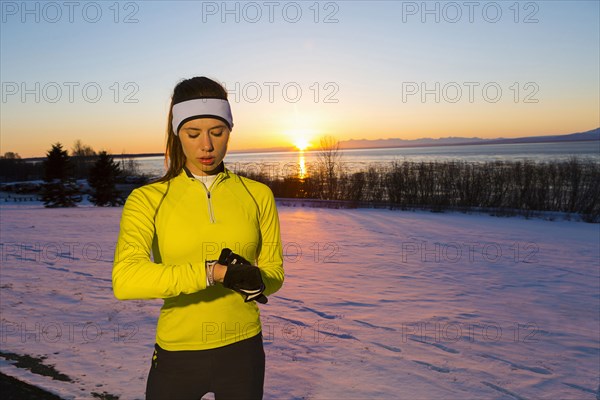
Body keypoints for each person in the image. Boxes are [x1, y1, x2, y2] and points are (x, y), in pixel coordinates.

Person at [112, 76, 285, 399]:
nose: (207, 145)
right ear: (177, 134)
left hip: (243, 351)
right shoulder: (148, 198)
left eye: (217, 132)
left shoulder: (257, 194)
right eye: (193, 134)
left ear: (230, 131)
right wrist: (214, 272)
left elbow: (275, 274)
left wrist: (255, 280)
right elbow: (126, 279)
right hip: (177, 355)